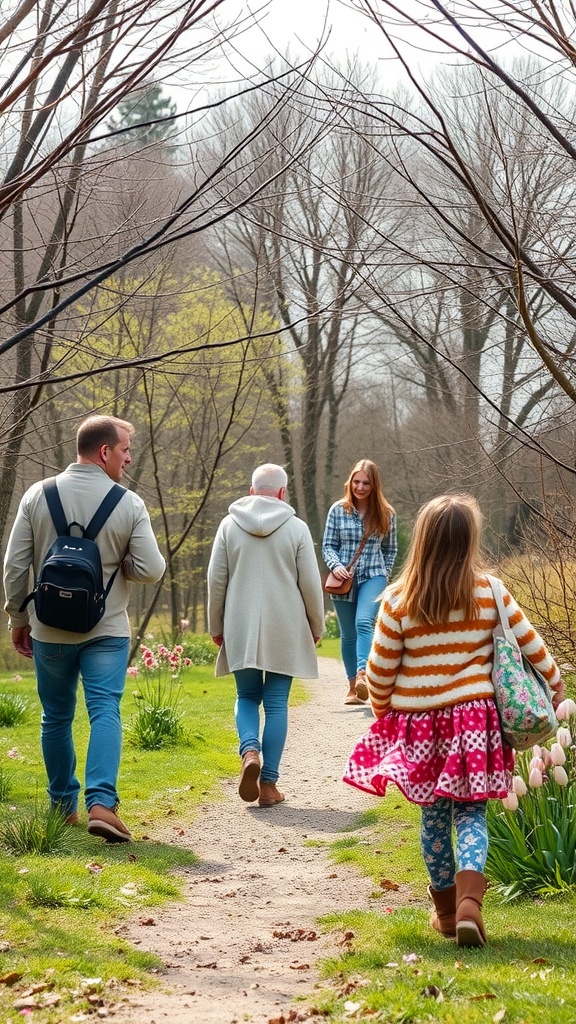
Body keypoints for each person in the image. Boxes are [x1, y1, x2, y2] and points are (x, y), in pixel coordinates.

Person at [343, 493, 564, 947]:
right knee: (471, 812)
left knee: (432, 818)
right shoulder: (490, 591)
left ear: (421, 541)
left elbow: (380, 671)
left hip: (420, 725)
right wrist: (554, 684)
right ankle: (471, 906)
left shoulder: (398, 600)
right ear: (469, 541)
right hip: (475, 723)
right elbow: (533, 648)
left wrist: (385, 714)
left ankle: (445, 913)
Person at [3, 415, 166, 843]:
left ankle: (63, 806)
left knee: (55, 715)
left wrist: (19, 618)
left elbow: (16, 567)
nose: (129, 458)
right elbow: (152, 568)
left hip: (49, 630)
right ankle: (101, 803)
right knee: (104, 710)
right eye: (125, 449)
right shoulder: (127, 504)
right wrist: (118, 565)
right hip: (106, 628)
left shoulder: (37, 494)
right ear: (104, 451)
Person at [207, 463, 324, 808]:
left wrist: (217, 626)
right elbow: (310, 584)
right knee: (275, 704)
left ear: (251, 490)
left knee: (246, 696)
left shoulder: (229, 525)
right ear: (283, 493)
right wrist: (315, 626)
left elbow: (216, 581)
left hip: (240, 623)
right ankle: (269, 785)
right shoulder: (297, 528)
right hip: (285, 625)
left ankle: (249, 751)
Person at [322, 459, 397, 706]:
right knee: (348, 635)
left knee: (364, 621)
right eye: (356, 482)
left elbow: (390, 549)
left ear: (374, 485)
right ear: (350, 482)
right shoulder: (337, 510)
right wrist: (337, 566)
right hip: (343, 579)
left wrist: (384, 574)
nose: (360, 487)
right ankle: (353, 688)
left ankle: (364, 673)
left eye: (366, 483)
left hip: (373, 576)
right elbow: (328, 545)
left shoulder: (387, 514)